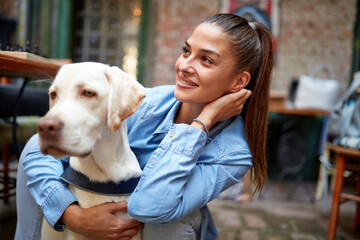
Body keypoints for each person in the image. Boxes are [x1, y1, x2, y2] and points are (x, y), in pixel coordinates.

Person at [15, 13, 273, 240]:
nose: (184, 66)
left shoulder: (233, 154)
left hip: (167, 226)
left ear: (239, 82)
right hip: (105, 206)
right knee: (38, 170)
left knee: (165, 223)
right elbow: (35, 150)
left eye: (206, 60)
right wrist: (71, 215)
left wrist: (201, 124)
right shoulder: (146, 102)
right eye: (186, 51)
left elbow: (150, 206)